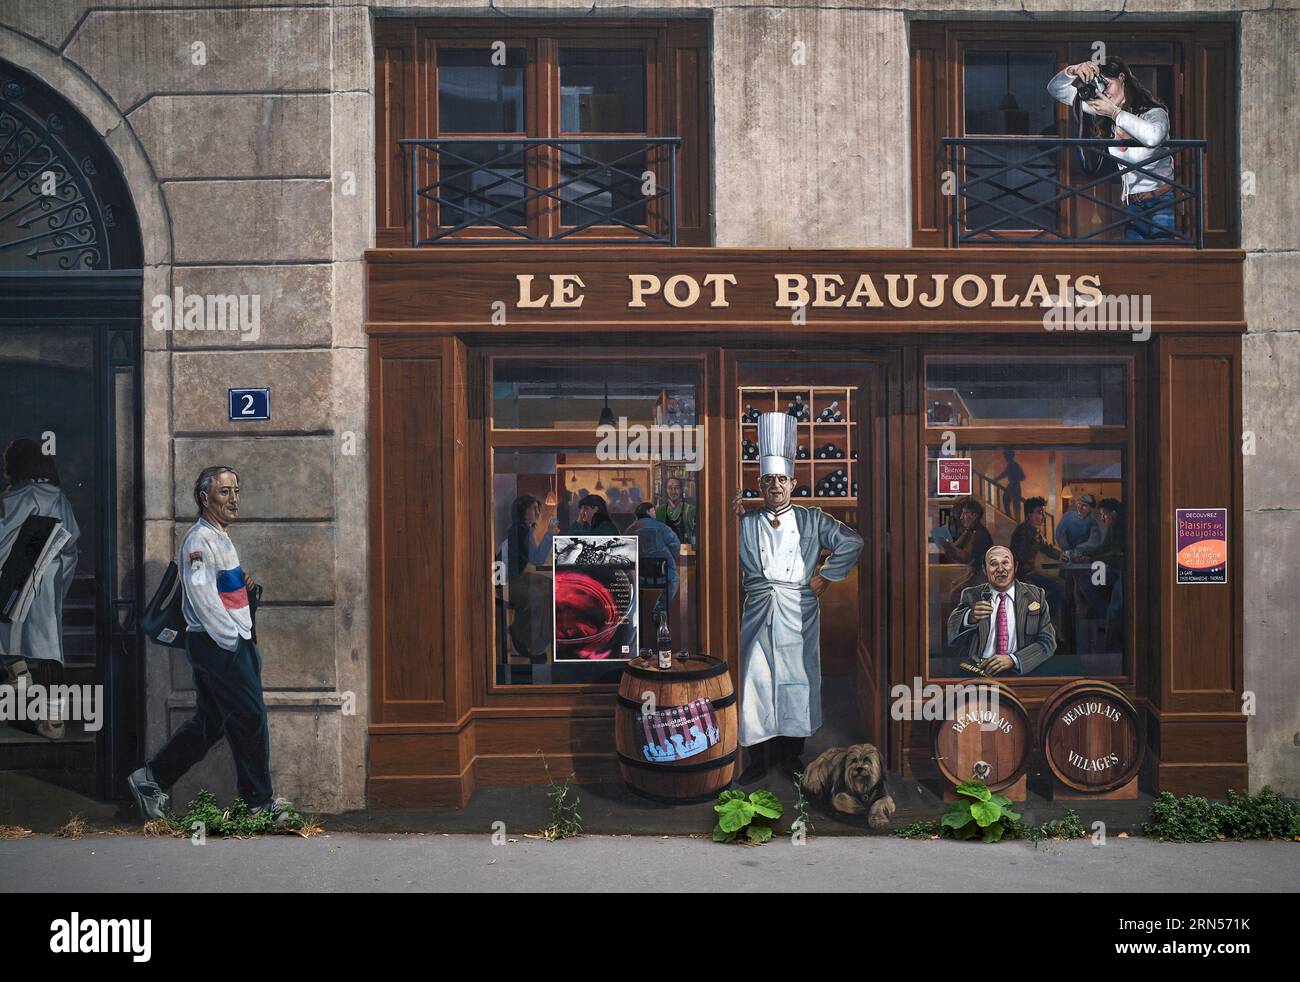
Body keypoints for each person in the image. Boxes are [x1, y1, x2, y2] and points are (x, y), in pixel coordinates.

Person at [126, 466, 296, 825]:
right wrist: (231, 642)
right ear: (205, 499)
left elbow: (221, 590)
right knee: (250, 717)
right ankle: (258, 803)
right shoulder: (198, 542)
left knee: (211, 724)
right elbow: (202, 597)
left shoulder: (219, 537)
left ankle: (149, 779)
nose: (233, 499)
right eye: (224, 493)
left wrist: (242, 588)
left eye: (236, 491)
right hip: (219, 644)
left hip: (229, 641)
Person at [730, 412, 863, 782]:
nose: (775, 485)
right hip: (758, 609)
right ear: (760, 484)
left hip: (799, 610)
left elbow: (853, 542)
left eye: (781, 479)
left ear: (793, 482)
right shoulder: (745, 523)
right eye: (768, 479)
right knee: (755, 680)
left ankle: (790, 756)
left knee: (796, 680)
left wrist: (825, 577)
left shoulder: (812, 519)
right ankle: (757, 758)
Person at [0, 439, 81, 740]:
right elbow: (71, 543)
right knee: (48, 649)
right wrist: (60, 576)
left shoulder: (16, 497)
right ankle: (54, 722)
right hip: (48, 581)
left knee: (9, 633)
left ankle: (19, 677)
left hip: (17, 578)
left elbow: (3, 540)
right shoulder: (59, 497)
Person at [1048, 57, 1175, 240]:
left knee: (1163, 259)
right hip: (1132, 204)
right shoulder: (1108, 112)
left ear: (1122, 78)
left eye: (1106, 85)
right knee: (1134, 261)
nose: (1104, 93)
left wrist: (1115, 113)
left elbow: (1153, 137)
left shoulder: (1154, 113)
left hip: (1162, 200)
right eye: (1099, 87)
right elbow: (1056, 90)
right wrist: (1073, 70)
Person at [947, 546, 1057, 676]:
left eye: (1005, 562)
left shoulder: (1035, 595)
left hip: (1021, 670)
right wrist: (969, 617)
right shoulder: (972, 595)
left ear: (1014, 567)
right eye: (993, 564)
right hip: (980, 671)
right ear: (984, 570)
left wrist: (1014, 659)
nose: (1000, 569)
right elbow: (951, 634)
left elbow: (1048, 642)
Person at [1009, 496, 1070, 647]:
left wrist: (1060, 555)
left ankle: (1043, 619)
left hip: (1029, 573)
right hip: (1023, 576)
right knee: (1061, 586)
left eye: (1042, 513)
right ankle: (1044, 619)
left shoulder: (1035, 531)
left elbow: (1046, 547)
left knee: (1061, 586)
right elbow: (1018, 558)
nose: (1041, 516)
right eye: (1038, 512)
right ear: (1029, 514)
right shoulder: (1023, 532)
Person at [504, 495, 557, 661]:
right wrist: (549, 535)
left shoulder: (520, 529)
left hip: (512, 579)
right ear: (523, 512)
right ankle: (527, 639)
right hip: (511, 582)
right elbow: (537, 559)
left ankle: (541, 639)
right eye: (532, 508)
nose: (536, 512)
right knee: (543, 592)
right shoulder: (522, 530)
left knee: (550, 587)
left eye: (537, 508)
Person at [1076, 498, 1126, 650]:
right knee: (1084, 581)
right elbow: (1103, 548)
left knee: (1115, 608)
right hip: (1113, 571)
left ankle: (1110, 642)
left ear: (1114, 514)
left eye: (1104, 515)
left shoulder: (1124, 528)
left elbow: (1117, 555)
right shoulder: (1112, 527)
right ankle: (1106, 617)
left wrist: (1092, 557)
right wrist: (1084, 552)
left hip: (1123, 572)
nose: (1102, 518)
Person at [629, 502, 680, 616]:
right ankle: (660, 609)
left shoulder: (630, 529)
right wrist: (671, 559)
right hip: (662, 575)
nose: (654, 512)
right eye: (653, 510)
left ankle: (635, 611)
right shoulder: (663, 527)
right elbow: (675, 545)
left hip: (638, 577)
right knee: (675, 579)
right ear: (647, 512)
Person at [938, 496, 994, 592]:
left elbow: (965, 557)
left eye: (965, 513)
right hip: (975, 574)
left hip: (982, 577)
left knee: (956, 593)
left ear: (974, 516)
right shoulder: (971, 530)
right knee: (954, 588)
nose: (961, 517)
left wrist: (946, 545)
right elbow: (957, 545)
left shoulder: (979, 534)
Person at [655, 476, 697, 545]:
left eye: (676, 488)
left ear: (681, 490)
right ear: (666, 490)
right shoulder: (660, 511)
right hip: (666, 552)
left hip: (685, 551)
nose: (673, 491)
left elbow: (695, 534)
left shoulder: (690, 509)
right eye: (670, 488)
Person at [992, 450, 1026, 520]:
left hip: (1015, 486)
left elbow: (1022, 476)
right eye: (1005, 456)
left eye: (1006, 456)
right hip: (1012, 486)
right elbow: (1004, 474)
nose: (1005, 457)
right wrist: (996, 479)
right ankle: (1011, 518)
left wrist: (1015, 479)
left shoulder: (1014, 465)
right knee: (1007, 500)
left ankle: (1015, 520)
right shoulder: (1011, 465)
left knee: (1014, 503)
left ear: (1010, 456)